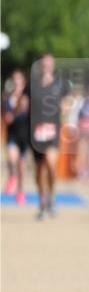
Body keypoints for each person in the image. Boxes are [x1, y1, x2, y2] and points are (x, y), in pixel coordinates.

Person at [28, 54, 67, 219]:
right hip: (36, 132)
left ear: (53, 66)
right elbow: (24, 104)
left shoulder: (60, 84)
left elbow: (67, 102)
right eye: (44, 64)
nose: (46, 67)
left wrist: (65, 109)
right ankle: (42, 203)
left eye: (49, 64)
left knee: (51, 164)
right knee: (39, 170)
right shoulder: (33, 85)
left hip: (52, 131)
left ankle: (51, 197)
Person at [4, 72, 30, 204]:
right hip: (12, 136)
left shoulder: (27, 99)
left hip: (24, 137)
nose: (16, 83)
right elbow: (7, 119)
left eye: (19, 80)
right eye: (14, 80)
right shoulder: (8, 99)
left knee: (21, 167)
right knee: (11, 158)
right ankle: (11, 176)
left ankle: (20, 191)